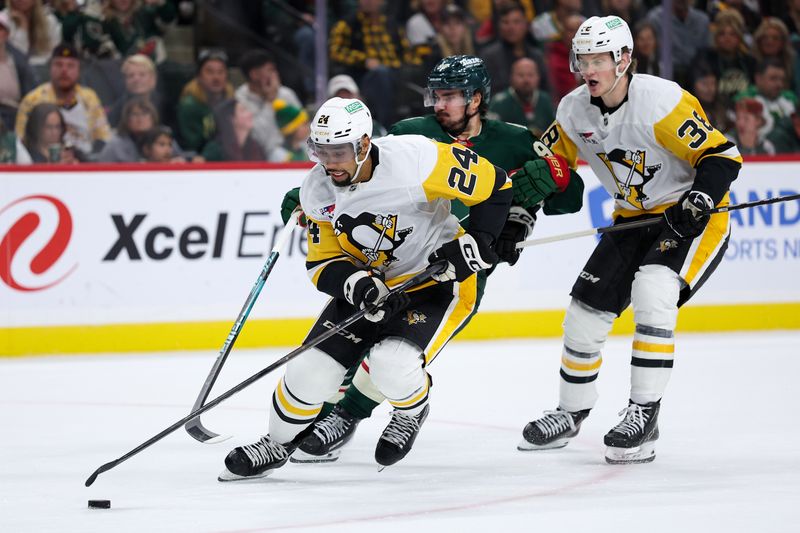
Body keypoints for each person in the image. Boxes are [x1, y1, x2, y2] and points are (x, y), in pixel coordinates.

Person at [281, 55, 584, 464]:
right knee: (354, 338)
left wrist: (539, 197)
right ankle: (334, 412)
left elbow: (566, 197)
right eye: (435, 96)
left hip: (458, 265)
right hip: (394, 258)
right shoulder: (411, 133)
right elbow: (361, 178)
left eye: (451, 97)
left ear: (477, 98)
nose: (440, 105)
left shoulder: (512, 138)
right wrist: (308, 201)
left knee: (397, 353)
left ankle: (349, 413)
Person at [218, 96, 514, 480]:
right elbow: (322, 263)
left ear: (362, 144)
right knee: (309, 371)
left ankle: (410, 411)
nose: (329, 162)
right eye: (320, 151)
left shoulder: (418, 160)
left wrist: (478, 239)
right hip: (370, 283)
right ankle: (276, 444)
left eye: (338, 151)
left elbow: (498, 184)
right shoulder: (318, 190)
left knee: (392, 366)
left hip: (434, 282)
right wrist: (358, 286)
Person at [518, 16, 742, 465]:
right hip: (631, 219)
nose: (588, 68)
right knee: (584, 314)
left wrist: (698, 199)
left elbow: (722, 156)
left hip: (691, 218)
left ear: (624, 59)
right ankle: (572, 410)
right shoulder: (573, 110)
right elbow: (547, 171)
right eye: (583, 59)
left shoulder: (661, 102)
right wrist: (516, 218)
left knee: (655, 292)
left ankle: (645, 414)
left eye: (599, 58)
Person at [15, 43, 111, 156]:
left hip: (84, 163)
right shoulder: (33, 99)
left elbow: (103, 137)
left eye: (70, 66)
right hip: (45, 164)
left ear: (79, 70)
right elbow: (20, 141)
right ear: (50, 67)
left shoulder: (89, 97)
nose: (64, 70)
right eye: (58, 65)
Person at [177, 48, 234, 154]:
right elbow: (192, 146)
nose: (216, 77)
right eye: (210, 72)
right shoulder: (190, 107)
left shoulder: (234, 104)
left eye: (221, 72)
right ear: (199, 76)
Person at [489, 57, 555, 138]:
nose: (526, 80)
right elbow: (491, 135)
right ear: (511, 77)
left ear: (538, 77)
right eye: (521, 75)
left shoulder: (545, 99)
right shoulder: (499, 103)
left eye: (530, 75)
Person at [97, 96, 159, 162]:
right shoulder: (115, 146)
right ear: (127, 119)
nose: (140, 119)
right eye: (135, 114)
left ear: (153, 118)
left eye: (144, 114)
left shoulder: (164, 141)